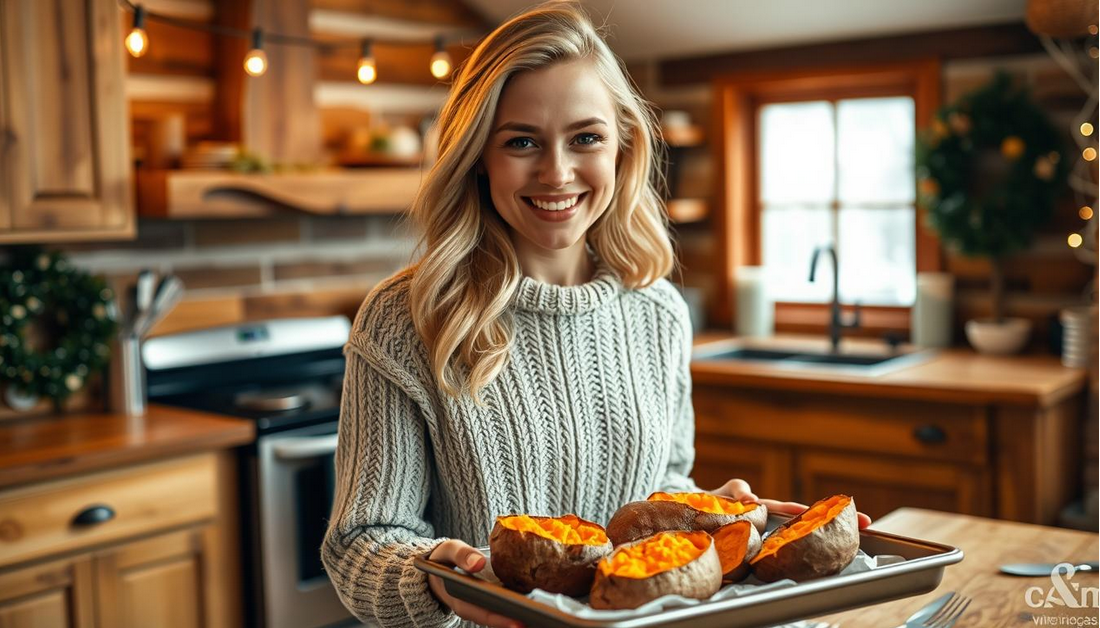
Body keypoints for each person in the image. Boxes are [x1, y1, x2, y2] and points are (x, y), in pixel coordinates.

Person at [321, 4, 870, 628]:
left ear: (620, 147)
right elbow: (359, 544)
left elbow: (658, 483)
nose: (557, 172)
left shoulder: (658, 311)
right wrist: (445, 578)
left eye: (585, 137)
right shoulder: (407, 319)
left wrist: (704, 513)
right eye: (521, 141)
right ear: (479, 156)